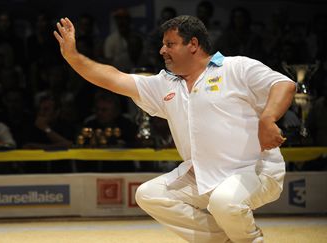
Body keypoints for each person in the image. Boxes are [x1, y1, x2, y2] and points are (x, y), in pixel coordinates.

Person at [54, 15, 296, 242]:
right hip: (201, 173)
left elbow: (283, 84)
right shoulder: (165, 84)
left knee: (224, 201)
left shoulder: (236, 67)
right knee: (149, 194)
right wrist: (73, 57)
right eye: (163, 44)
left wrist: (268, 119)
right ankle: (221, 240)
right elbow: (113, 78)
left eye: (170, 44)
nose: (162, 51)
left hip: (253, 170)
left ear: (193, 44)